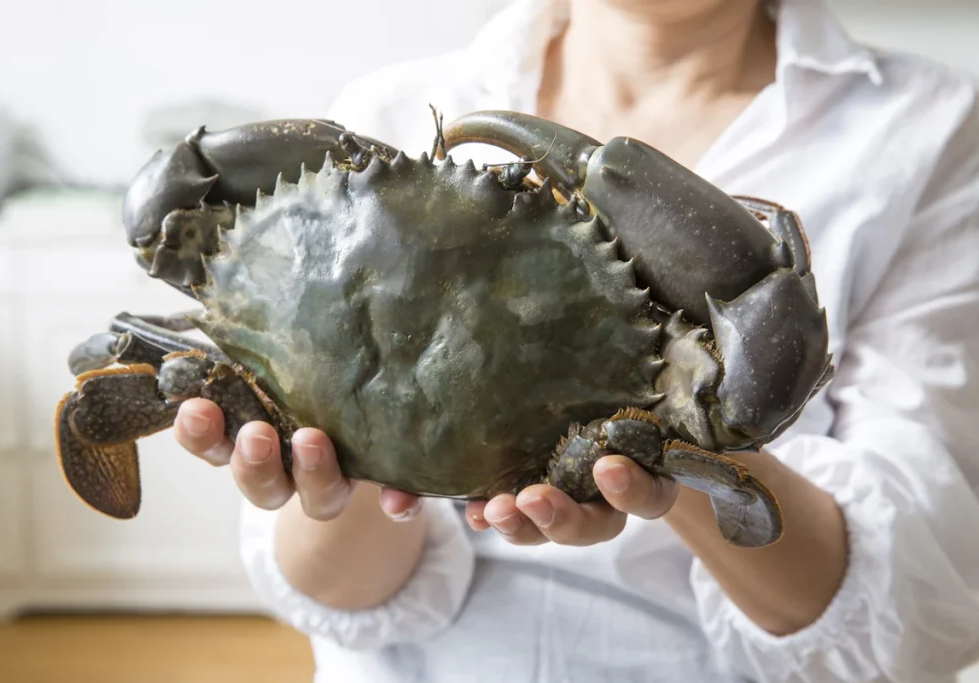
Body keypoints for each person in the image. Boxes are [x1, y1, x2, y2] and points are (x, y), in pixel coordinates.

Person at [171, 0, 979, 680]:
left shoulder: (928, 130)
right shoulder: (384, 107)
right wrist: (333, 463)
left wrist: (664, 456)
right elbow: (340, 591)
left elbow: (916, 610)